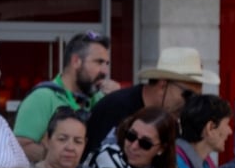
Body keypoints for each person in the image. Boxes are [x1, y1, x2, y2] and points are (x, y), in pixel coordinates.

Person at [85, 46, 218, 158]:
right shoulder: (115, 108)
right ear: (162, 85)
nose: (190, 103)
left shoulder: (173, 123)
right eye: (188, 95)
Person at [14, 31, 117, 162]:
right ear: (76, 61)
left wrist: (116, 101)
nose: (105, 71)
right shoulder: (43, 97)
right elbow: (21, 147)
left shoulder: (99, 99)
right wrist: (64, 160)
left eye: (107, 64)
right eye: (99, 62)